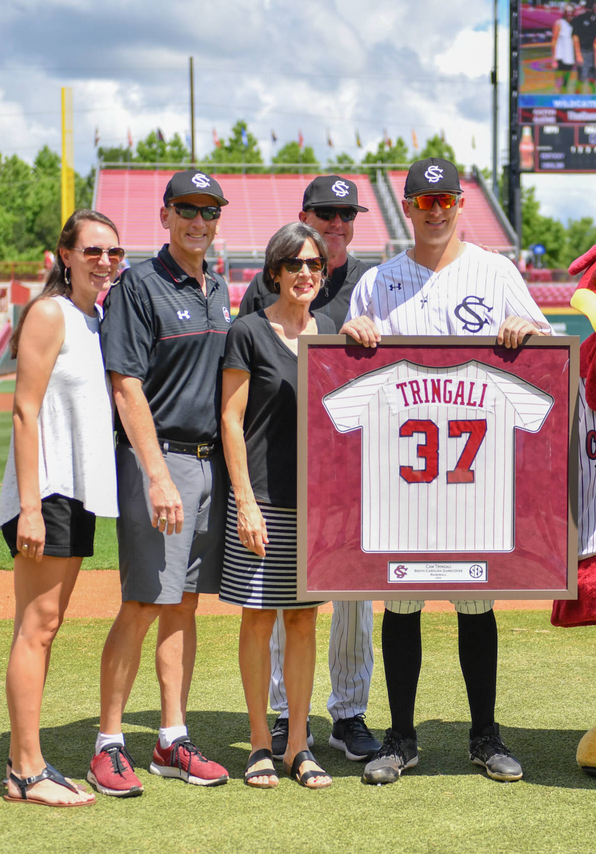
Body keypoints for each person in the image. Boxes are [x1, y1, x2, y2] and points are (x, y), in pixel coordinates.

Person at [340, 158, 551, 785]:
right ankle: (401, 737)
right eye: (423, 200)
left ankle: (483, 735)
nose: (435, 209)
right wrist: (352, 332)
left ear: (462, 204)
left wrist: (529, 329)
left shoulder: (495, 271)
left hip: (475, 477)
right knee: (401, 605)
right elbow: (352, 360)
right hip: (400, 477)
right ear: (407, 207)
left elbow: (544, 350)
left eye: (446, 199)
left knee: (474, 602)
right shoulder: (379, 282)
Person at [89, 169, 234, 797]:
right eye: (187, 210)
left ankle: (171, 738)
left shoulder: (220, 286)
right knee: (144, 600)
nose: (198, 222)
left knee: (184, 602)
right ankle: (108, 743)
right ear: (166, 214)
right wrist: (156, 476)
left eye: (209, 211)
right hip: (162, 461)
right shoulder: (139, 287)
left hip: (209, 464)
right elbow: (126, 385)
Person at [239, 175, 381, 763]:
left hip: (348, 465)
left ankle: (348, 715)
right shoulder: (264, 286)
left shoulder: (370, 284)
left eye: (347, 214)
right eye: (326, 212)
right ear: (305, 215)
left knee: (352, 595)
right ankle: (280, 716)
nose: (337, 223)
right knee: (279, 594)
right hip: (280, 467)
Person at [0, 210, 122, 807]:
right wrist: (29, 507)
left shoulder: (92, 318)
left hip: (71, 491)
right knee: (39, 629)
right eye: (93, 250)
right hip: (47, 494)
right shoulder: (50, 313)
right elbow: (24, 411)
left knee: (40, 628)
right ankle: (26, 771)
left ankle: (25, 761)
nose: (104, 261)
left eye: (113, 253)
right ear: (65, 255)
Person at [221, 223, 337, 790]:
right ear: (275, 271)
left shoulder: (332, 330)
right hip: (262, 499)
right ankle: (259, 744)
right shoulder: (247, 331)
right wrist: (244, 500)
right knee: (257, 617)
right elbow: (231, 420)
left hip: (314, 504)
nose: (305, 274)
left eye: (313, 264)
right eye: (294, 264)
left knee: (303, 621)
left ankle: (298, 745)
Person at [572, 1, 596, 94]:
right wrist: (578, 54)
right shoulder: (579, 18)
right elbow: (575, 37)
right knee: (582, 79)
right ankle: (579, 103)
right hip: (584, 52)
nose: (590, 6)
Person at [551, 7, 576, 93]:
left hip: (570, 57)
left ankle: (563, 97)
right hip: (560, 57)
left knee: (566, 80)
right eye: (567, 12)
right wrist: (554, 58)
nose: (569, 14)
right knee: (559, 80)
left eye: (571, 12)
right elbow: (554, 40)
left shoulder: (574, 24)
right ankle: (557, 99)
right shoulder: (559, 23)